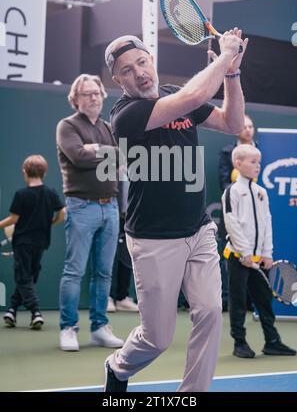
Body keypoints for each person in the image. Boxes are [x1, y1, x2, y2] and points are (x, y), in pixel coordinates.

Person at [103, 30, 248, 392]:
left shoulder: (172, 94)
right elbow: (195, 94)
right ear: (117, 80)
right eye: (126, 70)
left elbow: (232, 124)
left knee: (211, 312)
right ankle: (118, 367)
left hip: (198, 230)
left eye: (141, 61)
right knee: (157, 338)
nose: (138, 72)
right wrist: (224, 55)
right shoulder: (125, 115)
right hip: (153, 240)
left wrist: (232, 74)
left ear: (151, 59)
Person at [56, 73, 123, 352]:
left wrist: (97, 149)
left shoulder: (108, 127)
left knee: (104, 273)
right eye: (86, 94)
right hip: (81, 206)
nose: (93, 97)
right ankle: (68, 328)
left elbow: (122, 155)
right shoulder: (67, 126)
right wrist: (99, 152)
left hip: (111, 206)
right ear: (76, 98)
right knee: (74, 271)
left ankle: (99, 328)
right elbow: (78, 157)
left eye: (96, 92)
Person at [222, 144, 297, 359]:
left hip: (258, 261)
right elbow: (231, 223)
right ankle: (240, 342)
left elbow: (266, 224)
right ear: (238, 164)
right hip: (238, 259)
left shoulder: (262, 193)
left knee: (264, 299)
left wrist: (267, 253)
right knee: (238, 302)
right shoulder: (232, 192)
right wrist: (244, 253)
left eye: (259, 162)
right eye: (252, 162)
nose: (257, 166)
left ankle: (272, 341)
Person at [0, 155, 65, 329]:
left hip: (22, 242)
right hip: (41, 243)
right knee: (27, 277)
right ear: (44, 172)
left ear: (25, 172)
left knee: (25, 277)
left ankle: (35, 312)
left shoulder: (21, 194)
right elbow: (62, 213)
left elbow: (14, 218)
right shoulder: (51, 193)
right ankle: (12, 310)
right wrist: (51, 223)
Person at [218, 115, 257, 311]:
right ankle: (227, 300)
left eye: (251, 126)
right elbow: (224, 183)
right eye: (244, 126)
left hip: (255, 217)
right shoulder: (227, 153)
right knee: (230, 257)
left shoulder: (263, 151)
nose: (248, 130)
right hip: (233, 214)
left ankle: (252, 301)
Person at [108, 176, 138, 313]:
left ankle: (122, 297)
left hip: (130, 218)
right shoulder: (109, 164)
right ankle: (106, 298)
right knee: (107, 257)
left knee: (127, 257)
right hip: (110, 213)